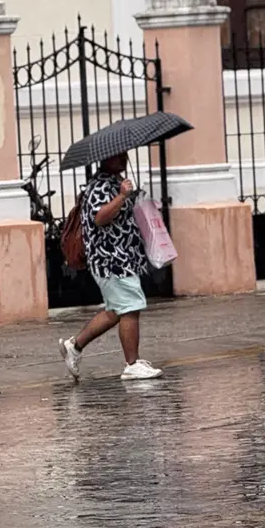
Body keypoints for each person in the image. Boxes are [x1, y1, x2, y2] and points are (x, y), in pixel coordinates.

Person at [58, 153, 163, 381]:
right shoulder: (100, 186)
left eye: (124, 155)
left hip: (122, 257)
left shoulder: (115, 183)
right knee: (131, 307)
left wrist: (135, 199)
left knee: (115, 311)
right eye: (117, 156)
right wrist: (122, 196)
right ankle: (132, 365)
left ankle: (74, 346)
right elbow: (99, 217)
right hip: (111, 260)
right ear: (105, 159)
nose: (123, 159)